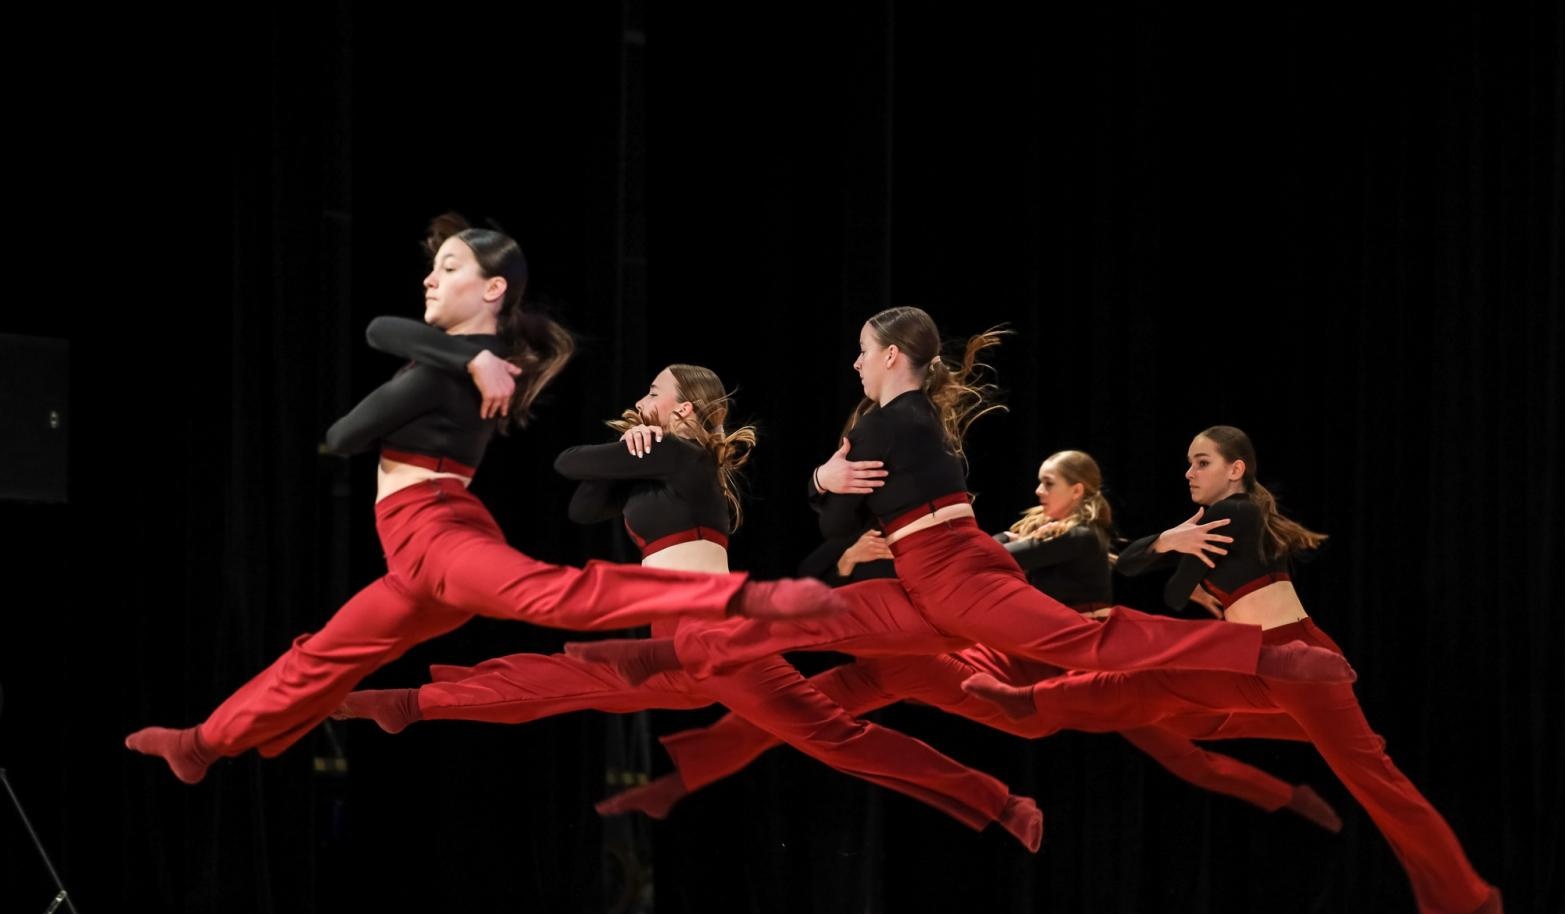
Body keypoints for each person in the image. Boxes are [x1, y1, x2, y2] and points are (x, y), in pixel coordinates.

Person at [123, 215, 837, 785]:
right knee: (320, 657)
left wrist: (461, 362)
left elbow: (344, 432)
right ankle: (204, 742)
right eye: (433, 267)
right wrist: (465, 355)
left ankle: (760, 601)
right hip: (412, 558)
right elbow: (385, 334)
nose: (431, 278)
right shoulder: (470, 362)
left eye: (451, 268)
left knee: (557, 597)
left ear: (493, 290)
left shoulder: (475, 370)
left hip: (440, 534)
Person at [335, 363, 1046, 850]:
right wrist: (628, 444)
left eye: (653, 391)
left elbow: (564, 465)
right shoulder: (659, 460)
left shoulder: (684, 459)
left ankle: (999, 801)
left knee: (834, 737)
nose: (640, 397)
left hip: (713, 634)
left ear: (680, 405)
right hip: (676, 640)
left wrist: (632, 444)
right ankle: (412, 706)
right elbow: (585, 503)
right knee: (566, 680)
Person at [566, 305, 1357, 692]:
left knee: (1082, 644)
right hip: (924, 579)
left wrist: (824, 481)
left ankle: (1262, 656)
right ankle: (651, 653)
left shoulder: (894, 417)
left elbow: (839, 517)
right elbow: (840, 522)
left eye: (864, 353)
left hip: (960, 576)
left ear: (897, 357)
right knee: (806, 616)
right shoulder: (901, 420)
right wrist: (830, 485)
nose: (853, 364)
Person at [960, 426, 1510, 914]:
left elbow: (1173, 592)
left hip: (1295, 663)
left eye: (1202, 462)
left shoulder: (1238, 512)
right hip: (1248, 662)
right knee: (1167, 701)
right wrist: (1171, 546)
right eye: (1189, 462)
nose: (1189, 472)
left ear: (1236, 469)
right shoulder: (1216, 521)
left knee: (1376, 784)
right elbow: (1130, 564)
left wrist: (1172, 550)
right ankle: (1030, 700)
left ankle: (1474, 897)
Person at [600, 448, 1341, 834]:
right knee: (814, 702)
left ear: (1079, 492)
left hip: (1052, 664)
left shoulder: (1078, 532)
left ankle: (1295, 751)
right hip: (989, 656)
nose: (1040, 489)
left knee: (1191, 749)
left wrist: (918, 546)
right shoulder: (1035, 526)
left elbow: (1009, 564)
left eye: (1051, 482)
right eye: (1042, 481)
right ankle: (677, 782)